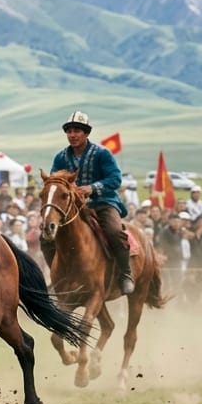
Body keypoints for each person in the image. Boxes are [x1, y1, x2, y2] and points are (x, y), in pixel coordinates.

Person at [48, 110, 133, 295]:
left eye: (77, 131)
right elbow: (54, 181)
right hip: (73, 209)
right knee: (45, 236)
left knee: (114, 231)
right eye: (69, 131)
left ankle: (125, 274)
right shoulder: (60, 157)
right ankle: (56, 278)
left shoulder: (102, 154)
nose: (72, 135)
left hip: (103, 203)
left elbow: (115, 178)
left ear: (86, 133)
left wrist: (92, 188)